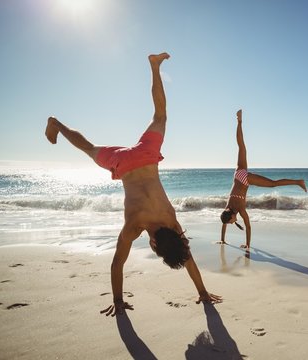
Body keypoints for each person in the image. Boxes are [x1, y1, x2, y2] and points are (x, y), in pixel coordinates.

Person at [45, 53, 221, 316]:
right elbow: (117, 264)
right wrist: (118, 301)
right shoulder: (134, 225)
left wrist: (203, 292)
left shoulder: (172, 222)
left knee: (160, 116)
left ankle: (154, 66)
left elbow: (185, 254)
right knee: (89, 148)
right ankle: (57, 124)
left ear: (176, 237)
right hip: (123, 164)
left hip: (145, 156)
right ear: (153, 245)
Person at [219, 110, 307, 250]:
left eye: (231, 222)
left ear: (231, 217)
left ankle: (298, 182)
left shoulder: (240, 210)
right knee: (241, 147)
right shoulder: (227, 208)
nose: (230, 224)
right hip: (237, 175)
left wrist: (248, 244)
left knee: (273, 184)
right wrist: (222, 240)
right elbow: (224, 223)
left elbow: (248, 226)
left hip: (245, 179)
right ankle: (239, 121)